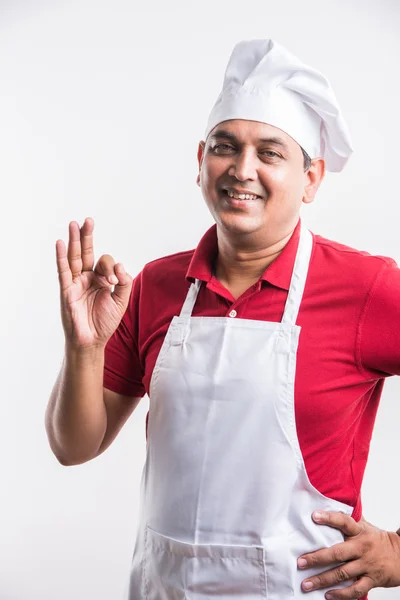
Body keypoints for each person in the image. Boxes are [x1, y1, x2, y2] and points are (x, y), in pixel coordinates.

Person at [46, 39, 400, 600]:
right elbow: (74, 446)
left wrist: (399, 551)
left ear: (312, 179)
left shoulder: (368, 288)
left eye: (271, 153)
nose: (242, 169)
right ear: (200, 162)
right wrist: (84, 348)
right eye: (225, 146)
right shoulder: (154, 287)